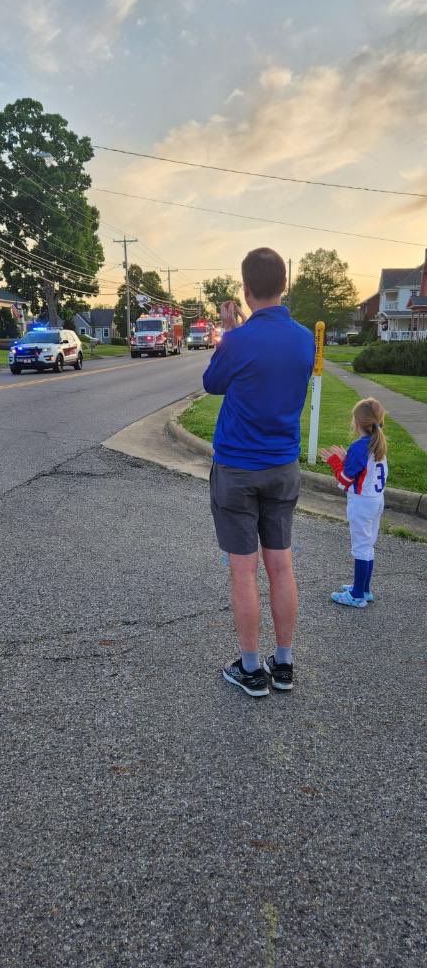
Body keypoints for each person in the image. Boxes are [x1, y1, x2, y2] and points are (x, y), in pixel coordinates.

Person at [203, 247, 315, 698]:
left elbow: (213, 383)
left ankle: (251, 669)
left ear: (246, 290)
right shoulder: (305, 338)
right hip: (282, 466)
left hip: (237, 468)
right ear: (284, 284)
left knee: (244, 572)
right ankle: (283, 664)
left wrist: (230, 334)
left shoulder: (241, 340)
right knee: (281, 566)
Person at [320, 397, 388, 608]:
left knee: (360, 547)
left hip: (362, 503)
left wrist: (334, 462)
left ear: (357, 422)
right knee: (368, 546)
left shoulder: (360, 446)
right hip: (376, 500)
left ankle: (357, 595)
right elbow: (362, 469)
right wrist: (346, 457)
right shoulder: (376, 443)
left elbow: (346, 479)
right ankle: (364, 589)